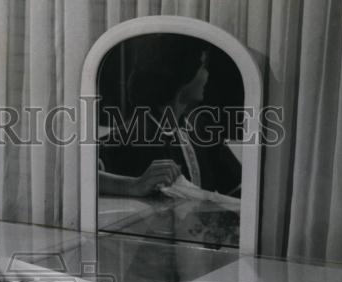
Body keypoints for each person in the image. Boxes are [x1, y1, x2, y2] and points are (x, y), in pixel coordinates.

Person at [98, 34, 242, 199]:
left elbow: (241, 192)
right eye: (202, 66)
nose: (207, 74)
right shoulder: (133, 133)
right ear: (182, 71)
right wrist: (133, 185)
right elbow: (77, 173)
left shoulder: (200, 130)